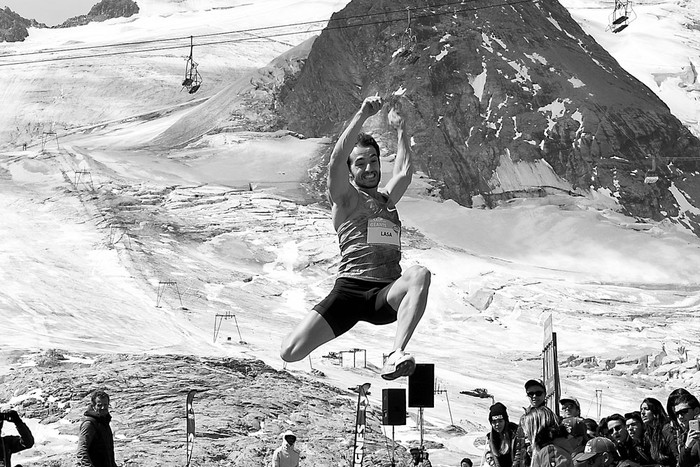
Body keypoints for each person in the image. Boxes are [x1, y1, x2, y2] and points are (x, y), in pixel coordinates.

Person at [280, 95, 431, 380]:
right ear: (350, 171)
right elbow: (336, 160)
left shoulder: (387, 201)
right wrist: (362, 114)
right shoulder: (346, 199)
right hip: (349, 292)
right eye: (360, 163)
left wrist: (401, 130)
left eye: (373, 161)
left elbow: (404, 172)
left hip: (384, 296)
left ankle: (395, 354)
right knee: (290, 351)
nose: (370, 168)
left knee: (420, 274)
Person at [77, 389, 117, 467]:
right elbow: (81, 451)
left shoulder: (104, 422)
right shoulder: (89, 424)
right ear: (93, 406)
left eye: (105, 405)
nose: (103, 407)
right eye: (99, 405)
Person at [514, 379, 548, 467]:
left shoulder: (549, 416)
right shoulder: (523, 418)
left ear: (545, 394)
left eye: (538, 393)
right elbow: (520, 446)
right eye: (530, 394)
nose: (534, 396)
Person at [640, 397, 677, 467]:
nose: (642, 413)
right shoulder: (649, 434)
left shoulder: (666, 429)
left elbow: (677, 456)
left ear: (655, 411)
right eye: (641, 410)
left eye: (646, 409)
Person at [672, 392, 700, 467]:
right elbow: (683, 464)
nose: (680, 417)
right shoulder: (684, 434)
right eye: (677, 414)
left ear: (696, 410)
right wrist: (687, 447)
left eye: (684, 411)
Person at [488, 402, 519, 467]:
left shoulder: (516, 435)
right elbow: (496, 461)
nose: (497, 424)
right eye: (494, 422)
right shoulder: (492, 439)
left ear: (505, 421)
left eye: (500, 421)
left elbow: (519, 457)